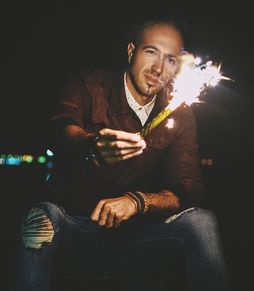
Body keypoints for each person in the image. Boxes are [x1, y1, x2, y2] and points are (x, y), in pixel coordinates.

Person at [16, 19, 230, 291]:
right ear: (131, 51)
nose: (158, 69)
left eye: (171, 60)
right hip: (74, 228)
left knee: (202, 222)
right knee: (41, 217)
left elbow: (189, 187)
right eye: (151, 52)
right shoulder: (88, 84)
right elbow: (61, 128)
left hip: (136, 238)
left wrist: (138, 202)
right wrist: (91, 145)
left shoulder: (180, 113)